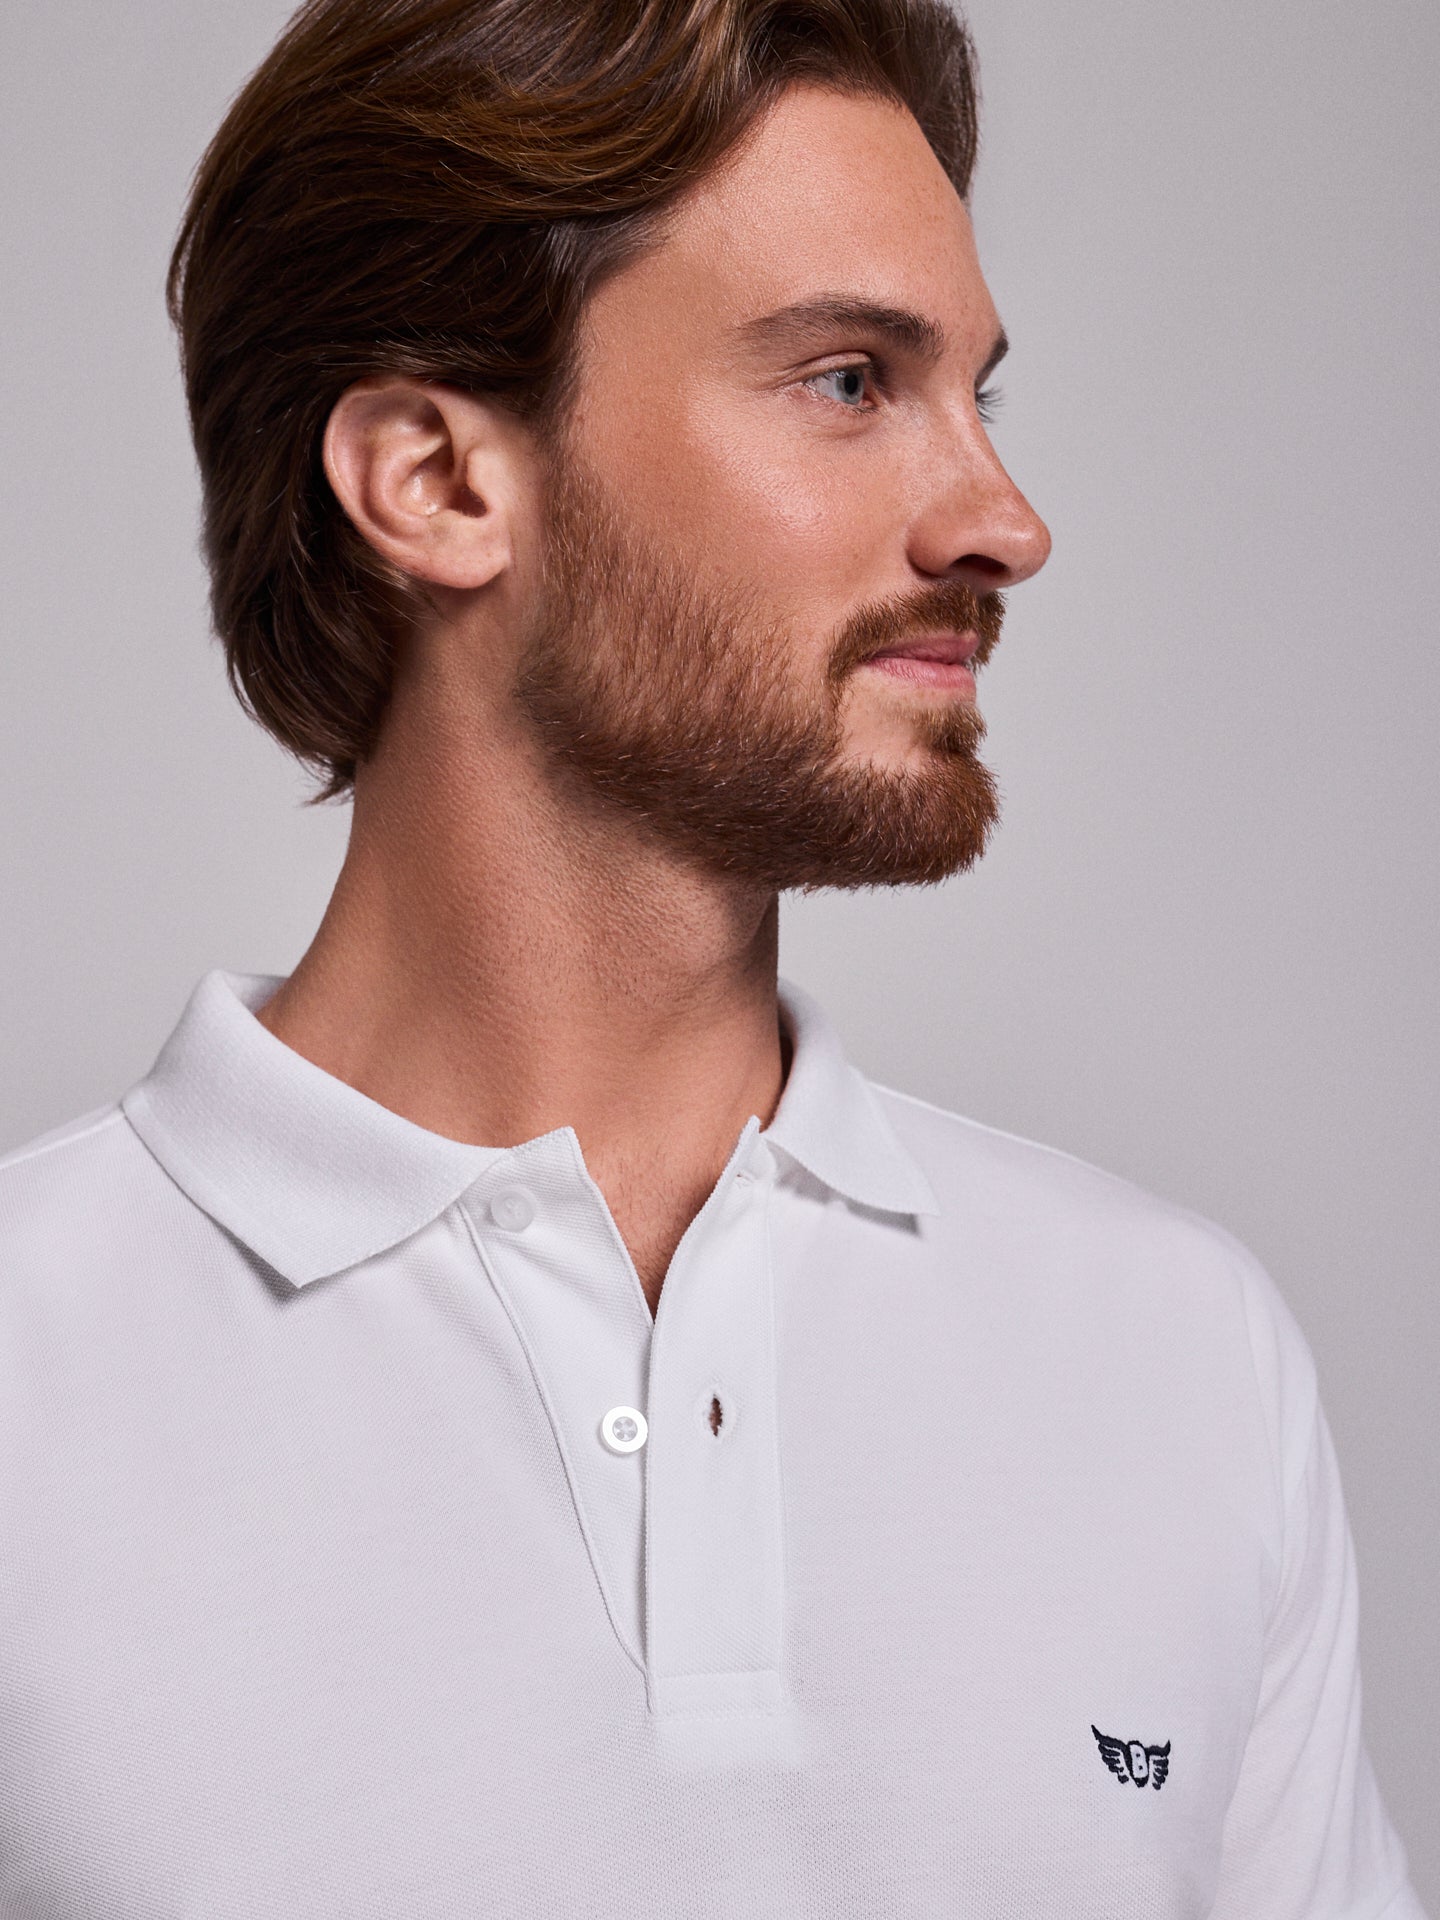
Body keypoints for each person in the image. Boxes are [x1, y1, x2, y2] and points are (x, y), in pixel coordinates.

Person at [0, 0, 1425, 1912]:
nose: (1002, 522)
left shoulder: (1179, 1356)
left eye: (976, 396)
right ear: (436, 480)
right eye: (848, 381)